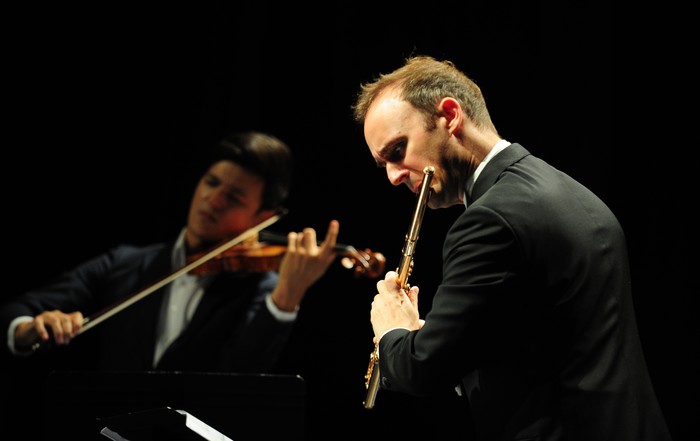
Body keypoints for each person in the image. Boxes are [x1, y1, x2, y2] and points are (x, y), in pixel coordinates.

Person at [352, 55, 672, 440]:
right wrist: (446, 339)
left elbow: (421, 370)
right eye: (383, 163)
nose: (392, 176)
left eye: (397, 151)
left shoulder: (489, 220)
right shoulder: (567, 190)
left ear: (450, 116)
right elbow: (542, 341)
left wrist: (392, 330)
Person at [0, 130, 338, 376]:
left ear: (263, 218)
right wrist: (29, 329)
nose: (213, 200)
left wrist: (288, 297)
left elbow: (240, 377)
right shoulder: (126, 262)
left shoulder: (264, 291)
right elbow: (15, 311)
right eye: (211, 183)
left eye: (234, 197)